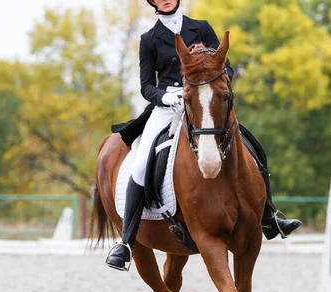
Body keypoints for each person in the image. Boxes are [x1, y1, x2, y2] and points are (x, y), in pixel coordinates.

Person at [105, 0, 302, 271]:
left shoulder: (201, 28)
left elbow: (226, 66)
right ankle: (126, 242)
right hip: (168, 106)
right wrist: (165, 96)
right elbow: (146, 86)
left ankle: (269, 217)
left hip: (205, 100)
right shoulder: (149, 39)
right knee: (140, 163)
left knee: (251, 146)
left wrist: (216, 83)